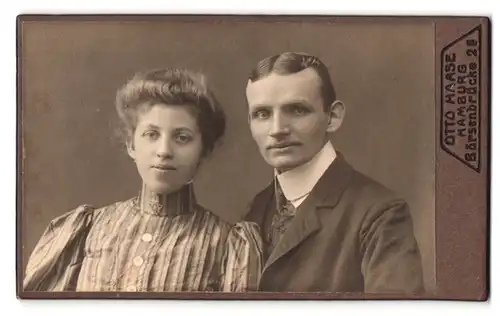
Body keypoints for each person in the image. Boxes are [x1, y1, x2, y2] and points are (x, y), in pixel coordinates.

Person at [23, 68, 263, 292]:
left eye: (182, 137)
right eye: (151, 134)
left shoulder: (227, 244)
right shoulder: (87, 229)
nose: (164, 150)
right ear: (131, 144)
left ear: (203, 151)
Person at [243, 52, 425, 294]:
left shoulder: (380, 214)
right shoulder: (258, 207)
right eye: (262, 114)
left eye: (297, 110)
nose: (277, 130)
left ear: (333, 117)